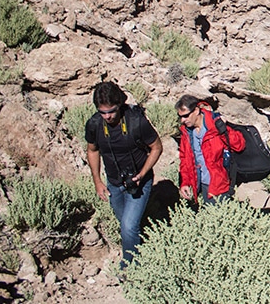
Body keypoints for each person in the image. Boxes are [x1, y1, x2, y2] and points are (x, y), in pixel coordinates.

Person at [85, 81, 163, 269]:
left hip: (139, 181)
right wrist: (97, 181)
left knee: (128, 226)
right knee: (127, 225)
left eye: (111, 111)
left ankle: (130, 268)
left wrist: (143, 172)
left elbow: (157, 147)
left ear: (119, 104)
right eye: (102, 112)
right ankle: (143, 247)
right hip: (113, 183)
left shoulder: (136, 121)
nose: (108, 116)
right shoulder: (95, 124)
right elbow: (92, 150)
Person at [176, 95, 245, 205]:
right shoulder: (187, 132)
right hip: (199, 185)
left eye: (186, 116)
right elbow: (185, 159)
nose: (182, 120)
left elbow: (239, 145)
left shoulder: (214, 124)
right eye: (180, 116)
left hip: (220, 186)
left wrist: (224, 129)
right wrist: (185, 182)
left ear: (196, 111)